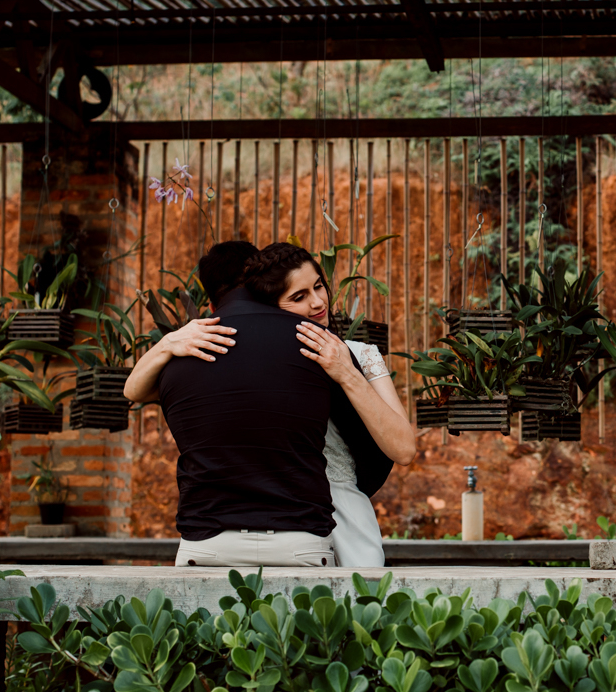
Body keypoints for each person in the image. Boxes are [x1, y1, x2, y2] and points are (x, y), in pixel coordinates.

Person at [125, 241, 416, 567]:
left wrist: (346, 371)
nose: (317, 302)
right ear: (266, 299)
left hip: (342, 518)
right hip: (291, 519)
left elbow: (404, 449)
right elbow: (134, 390)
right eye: (298, 297)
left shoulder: (357, 354)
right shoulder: (255, 352)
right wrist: (169, 342)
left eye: (319, 286)